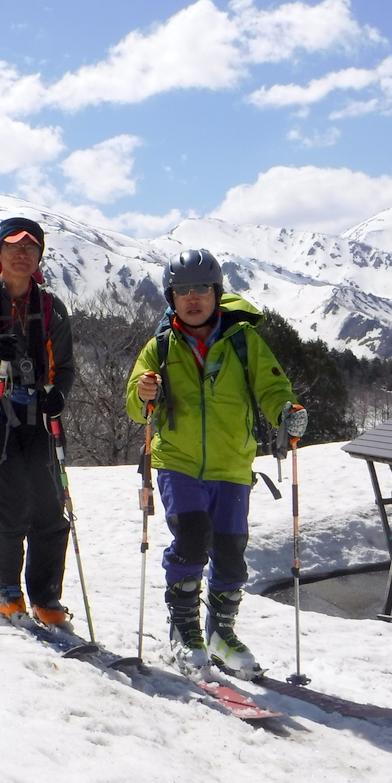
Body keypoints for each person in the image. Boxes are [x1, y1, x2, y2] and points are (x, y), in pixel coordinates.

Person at [125, 249, 308, 671]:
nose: (193, 298)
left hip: (231, 463)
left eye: (202, 289)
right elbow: (135, 405)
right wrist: (143, 395)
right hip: (177, 461)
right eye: (183, 290)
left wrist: (286, 413)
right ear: (172, 297)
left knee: (230, 551)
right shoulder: (160, 347)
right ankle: (184, 627)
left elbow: (273, 388)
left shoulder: (244, 342)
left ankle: (221, 632)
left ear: (216, 293)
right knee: (190, 540)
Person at [0, 217, 76, 625]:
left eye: (30, 248)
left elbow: (66, 366)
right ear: (0, 252)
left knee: (48, 505)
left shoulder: (50, 306)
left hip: (38, 414)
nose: (22, 254)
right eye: (13, 247)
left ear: (39, 256)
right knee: (10, 502)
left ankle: (46, 596)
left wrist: (59, 392)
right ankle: (5, 583)